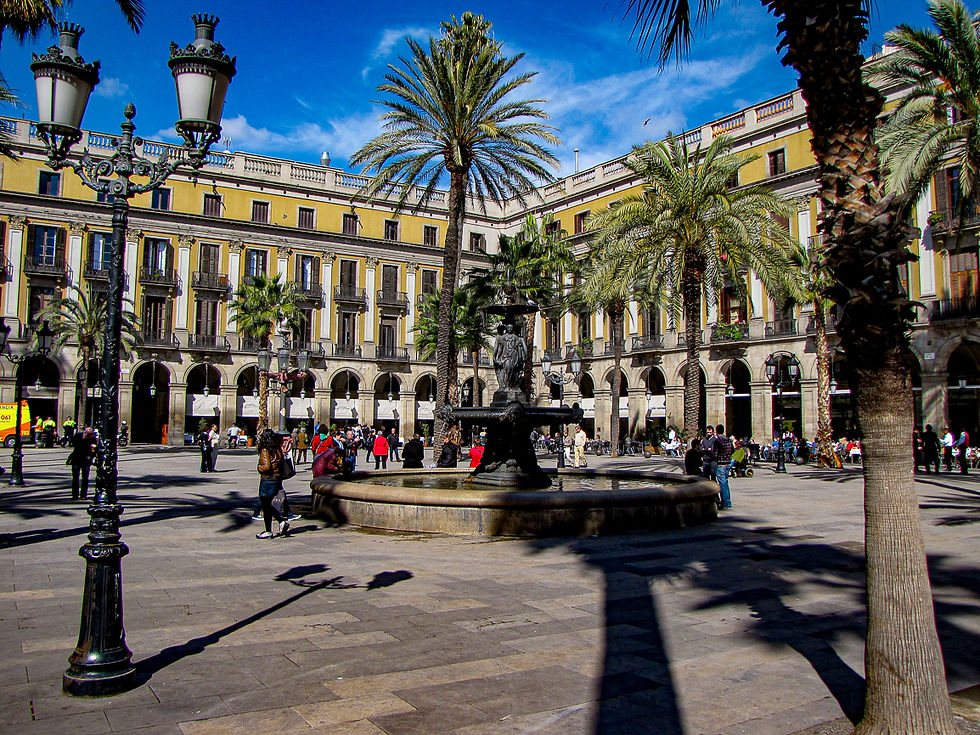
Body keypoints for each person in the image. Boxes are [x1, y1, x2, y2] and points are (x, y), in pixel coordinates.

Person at [255, 429, 290, 539]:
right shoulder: (277, 449)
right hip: (277, 478)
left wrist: (259, 468)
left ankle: (269, 530)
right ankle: (279, 523)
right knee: (267, 504)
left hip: (268, 480)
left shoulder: (265, 450)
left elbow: (266, 467)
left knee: (265, 504)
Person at [67, 427, 97, 501]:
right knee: (75, 478)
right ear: (85, 433)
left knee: (85, 478)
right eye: (89, 434)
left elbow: (94, 449)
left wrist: (91, 456)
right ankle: (75, 495)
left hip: (86, 460)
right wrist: (83, 438)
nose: (90, 436)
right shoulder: (78, 436)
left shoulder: (92, 439)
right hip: (76, 459)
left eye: (91, 434)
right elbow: (74, 444)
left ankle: (83, 495)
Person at [713, 424, 734, 510]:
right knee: (725, 482)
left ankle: (726, 503)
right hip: (728, 463)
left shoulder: (718, 441)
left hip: (721, 464)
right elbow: (733, 450)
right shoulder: (728, 440)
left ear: (717, 431)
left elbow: (715, 453)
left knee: (722, 483)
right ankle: (727, 501)